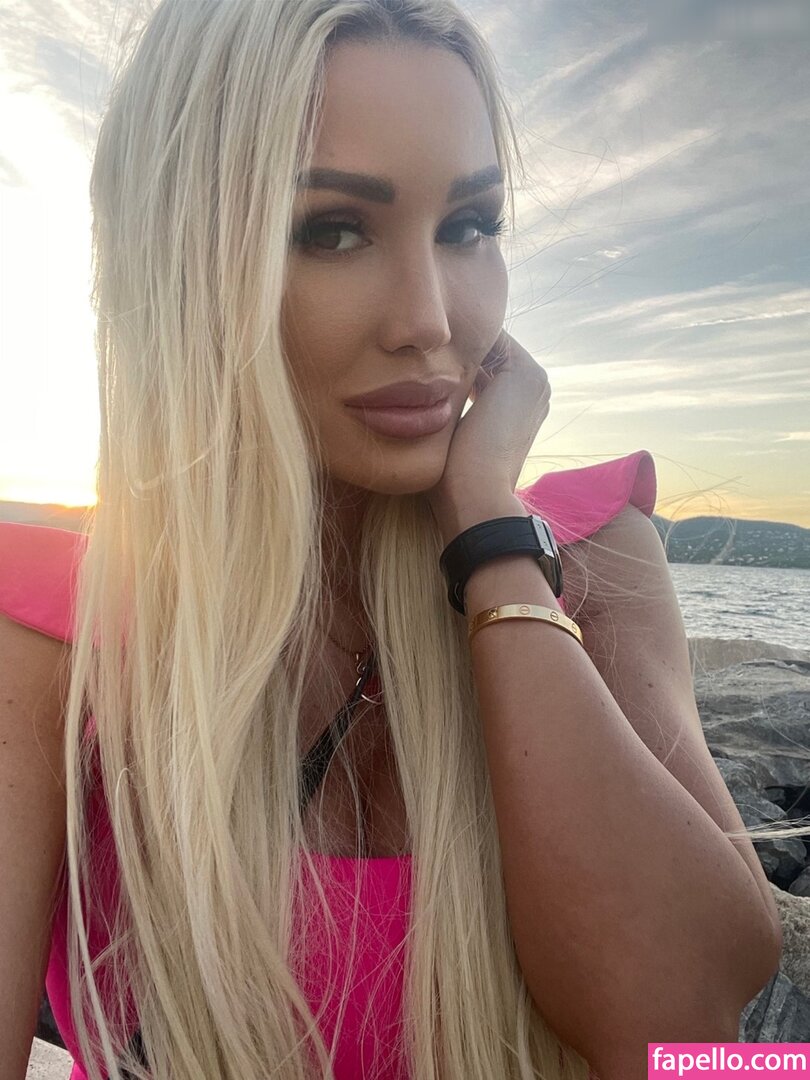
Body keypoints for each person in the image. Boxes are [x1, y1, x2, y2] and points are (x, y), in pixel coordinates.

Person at [2, 1, 808, 1078]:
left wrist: (489, 536)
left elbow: (686, 1038)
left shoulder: (593, 552)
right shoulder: (50, 639)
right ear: (182, 263)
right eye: (332, 230)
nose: (429, 318)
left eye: (468, 226)